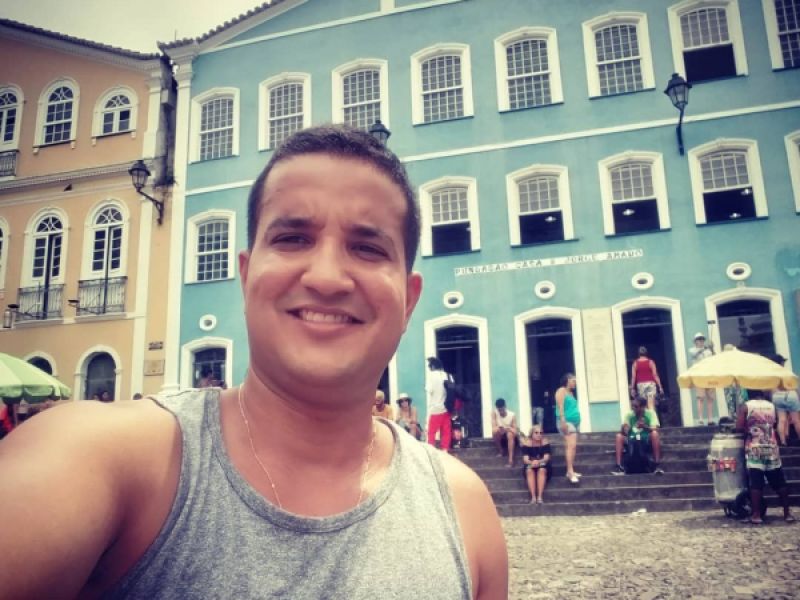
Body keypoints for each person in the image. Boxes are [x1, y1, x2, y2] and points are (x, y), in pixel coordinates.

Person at [0, 125, 507, 598]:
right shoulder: (111, 457)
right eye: (292, 239)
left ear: (409, 300)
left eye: (368, 248)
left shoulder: (464, 510)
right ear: (245, 277)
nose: (327, 277)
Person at [735, 389, 796, 524]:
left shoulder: (746, 406)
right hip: (772, 448)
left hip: (755, 449)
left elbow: (739, 427)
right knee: (779, 482)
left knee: (756, 483)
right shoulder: (771, 406)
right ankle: (787, 513)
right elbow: (774, 424)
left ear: (749, 393)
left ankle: (756, 515)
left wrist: (748, 429)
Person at [612, 396, 664, 475]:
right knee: (619, 436)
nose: (634, 408)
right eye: (633, 406)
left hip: (646, 438)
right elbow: (625, 431)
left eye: (636, 406)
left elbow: (655, 428)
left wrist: (644, 426)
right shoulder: (629, 414)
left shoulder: (650, 414)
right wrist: (625, 428)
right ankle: (619, 466)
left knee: (655, 434)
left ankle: (657, 464)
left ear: (643, 407)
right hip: (632, 439)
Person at [555, 372, 581, 484]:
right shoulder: (561, 390)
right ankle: (570, 472)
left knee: (571, 447)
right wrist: (563, 421)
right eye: (573, 380)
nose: (575, 382)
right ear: (567, 380)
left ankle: (570, 470)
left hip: (574, 423)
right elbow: (560, 407)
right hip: (566, 422)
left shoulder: (571, 393)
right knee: (571, 446)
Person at [770, 354, 800, 447]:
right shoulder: (787, 372)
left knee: (781, 420)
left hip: (777, 396)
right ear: (781, 362)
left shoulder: (771, 374)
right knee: (796, 420)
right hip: (790, 394)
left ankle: (783, 442)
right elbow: (794, 386)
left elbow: (770, 389)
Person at [629, 346, 663, 426]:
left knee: (643, 406)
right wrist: (660, 386)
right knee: (651, 405)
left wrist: (632, 388)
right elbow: (655, 375)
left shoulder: (635, 363)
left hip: (641, 385)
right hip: (651, 384)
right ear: (646, 353)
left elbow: (633, 377)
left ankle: (645, 423)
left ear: (638, 354)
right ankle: (654, 424)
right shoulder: (651, 362)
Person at [425, 356, 452, 452]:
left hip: (435, 409)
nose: (429, 369)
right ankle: (445, 450)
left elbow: (429, 390)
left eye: (429, 366)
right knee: (446, 431)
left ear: (432, 366)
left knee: (431, 432)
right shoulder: (448, 375)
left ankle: (431, 450)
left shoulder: (431, 376)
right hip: (447, 408)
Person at [688, 332, 715, 425]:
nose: (701, 341)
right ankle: (700, 418)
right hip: (699, 376)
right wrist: (705, 348)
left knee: (710, 398)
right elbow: (695, 354)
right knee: (700, 398)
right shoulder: (692, 350)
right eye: (699, 339)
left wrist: (712, 349)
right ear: (695, 341)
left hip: (709, 375)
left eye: (702, 339)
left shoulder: (708, 351)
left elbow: (713, 359)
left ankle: (710, 419)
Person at [521, 425, 551, 504]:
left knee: (542, 470)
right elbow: (525, 459)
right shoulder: (527, 443)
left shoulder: (545, 442)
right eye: (536, 433)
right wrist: (532, 462)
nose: (539, 435)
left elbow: (546, 458)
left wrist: (538, 462)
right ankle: (533, 497)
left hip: (543, 463)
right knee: (529, 470)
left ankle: (540, 497)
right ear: (532, 434)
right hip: (530, 463)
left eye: (541, 433)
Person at [491, 398, 518, 467]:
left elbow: (515, 432)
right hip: (500, 433)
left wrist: (508, 428)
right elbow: (493, 429)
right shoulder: (494, 413)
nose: (501, 411)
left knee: (510, 434)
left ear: (505, 406)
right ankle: (501, 451)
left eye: (502, 409)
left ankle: (510, 460)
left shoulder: (512, 415)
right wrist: (499, 428)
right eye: (499, 410)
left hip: (509, 433)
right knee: (495, 432)